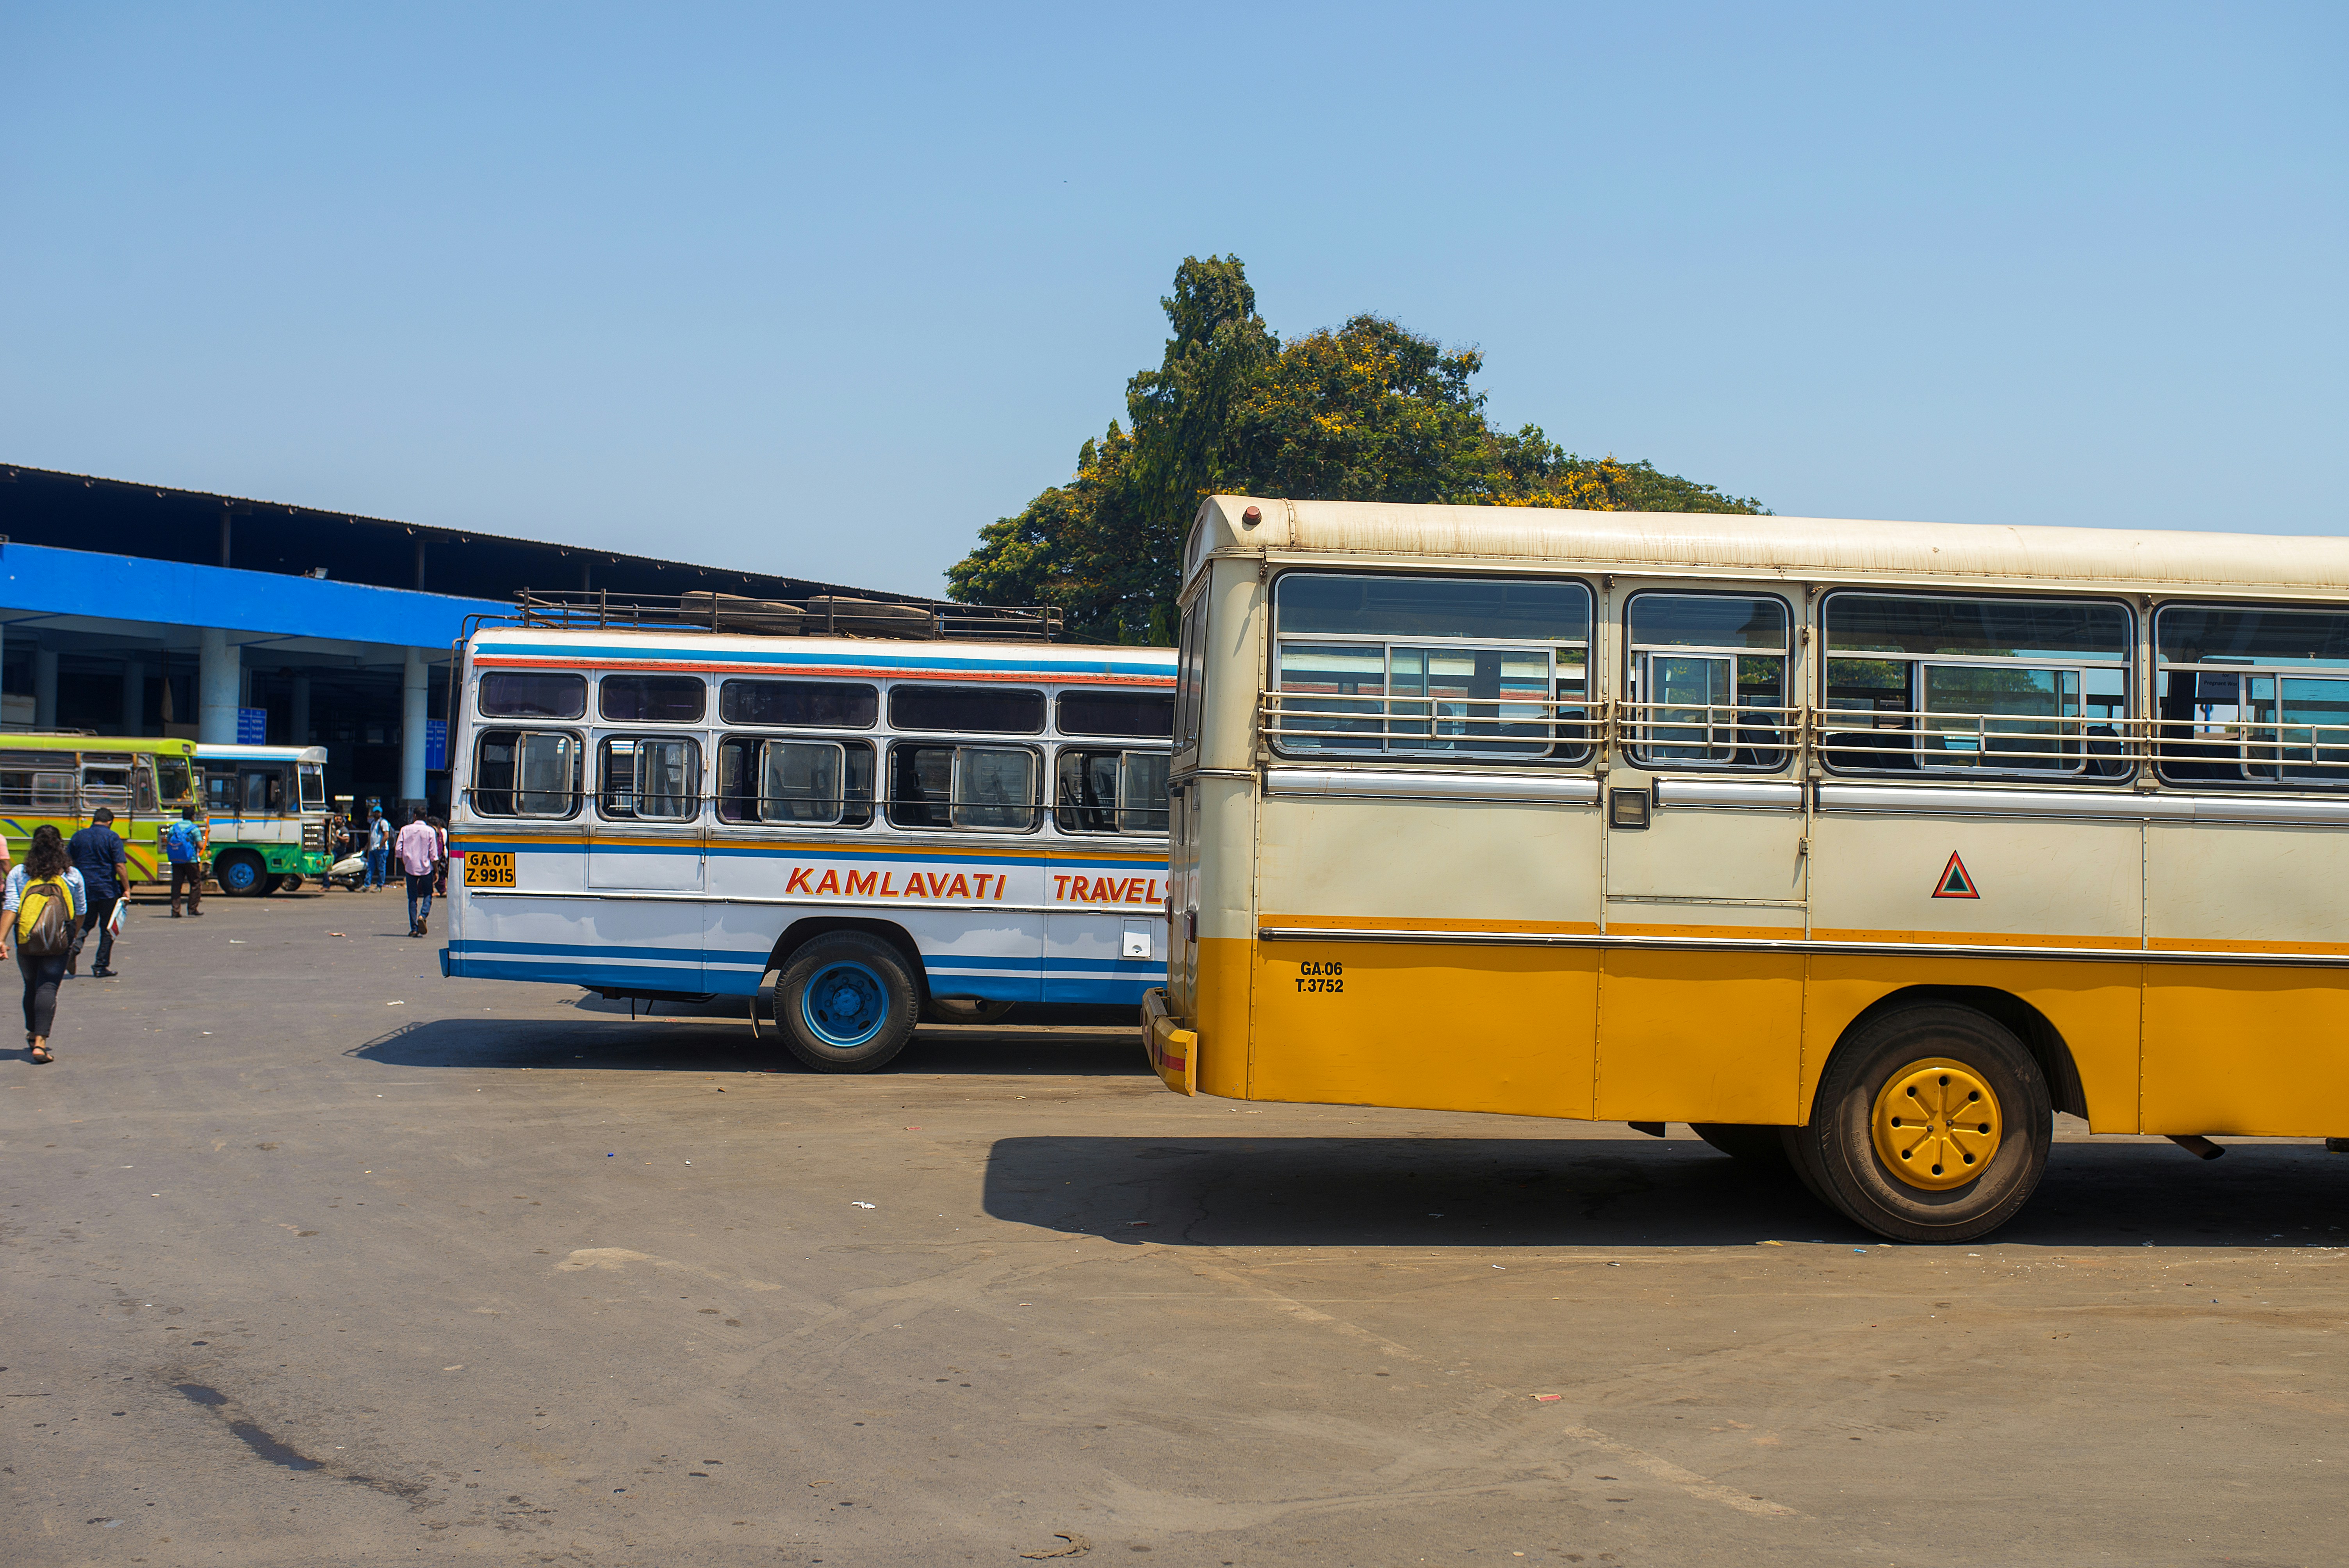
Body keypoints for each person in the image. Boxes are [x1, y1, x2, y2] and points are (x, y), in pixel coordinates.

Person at [7, 823, 86, 1064]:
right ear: (60, 847)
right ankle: (41, 1043)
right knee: (48, 987)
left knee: (31, 985)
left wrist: (1, 939)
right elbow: (81, 910)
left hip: (27, 941)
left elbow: (10, 907)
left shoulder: (20, 873)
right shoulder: (71, 875)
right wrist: (73, 936)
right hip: (59, 940)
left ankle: (32, 1034)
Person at [66, 806, 130, 978]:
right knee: (108, 928)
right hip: (107, 889)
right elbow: (119, 865)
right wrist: (127, 888)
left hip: (84, 889)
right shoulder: (112, 837)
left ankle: (74, 948)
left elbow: (68, 862)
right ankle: (101, 966)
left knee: (85, 923)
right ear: (110, 823)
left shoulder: (78, 836)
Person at [395, 809, 440, 937]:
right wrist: (436, 871)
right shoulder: (430, 831)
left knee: (412, 898)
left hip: (410, 868)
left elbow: (398, 850)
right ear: (425, 817)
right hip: (426, 868)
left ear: (414, 816)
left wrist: (405, 863)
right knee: (428, 894)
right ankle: (423, 914)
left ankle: (414, 928)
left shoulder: (405, 829)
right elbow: (434, 854)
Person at [163, 806, 205, 918]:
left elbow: (169, 842)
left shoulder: (174, 828)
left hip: (177, 861)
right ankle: (192, 909)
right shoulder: (194, 829)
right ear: (193, 817)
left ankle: (175, 911)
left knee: (177, 885)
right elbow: (200, 846)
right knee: (195, 884)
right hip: (191, 861)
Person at [365, 807, 390, 891]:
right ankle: (367, 885)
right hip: (373, 849)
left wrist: (380, 846)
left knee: (381, 868)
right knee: (370, 867)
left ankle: (379, 886)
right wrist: (367, 847)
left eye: (378, 812)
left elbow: (386, 836)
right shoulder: (373, 823)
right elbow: (371, 837)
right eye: (375, 812)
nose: (377, 814)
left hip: (382, 849)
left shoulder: (383, 822)